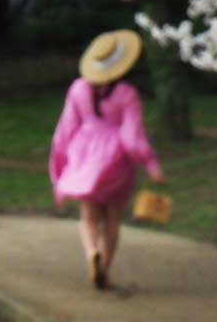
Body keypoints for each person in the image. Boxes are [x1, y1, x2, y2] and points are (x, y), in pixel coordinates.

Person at [48, 30, 164, 292]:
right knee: (112, 217)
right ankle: (106, 267)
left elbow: (65, 130)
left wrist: (60, 165)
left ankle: (91, 254)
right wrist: (150, 164)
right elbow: (132, 135)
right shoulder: (126, 93)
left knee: (88, 215)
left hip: (84, 155)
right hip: (115, 160)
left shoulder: (78, 89)